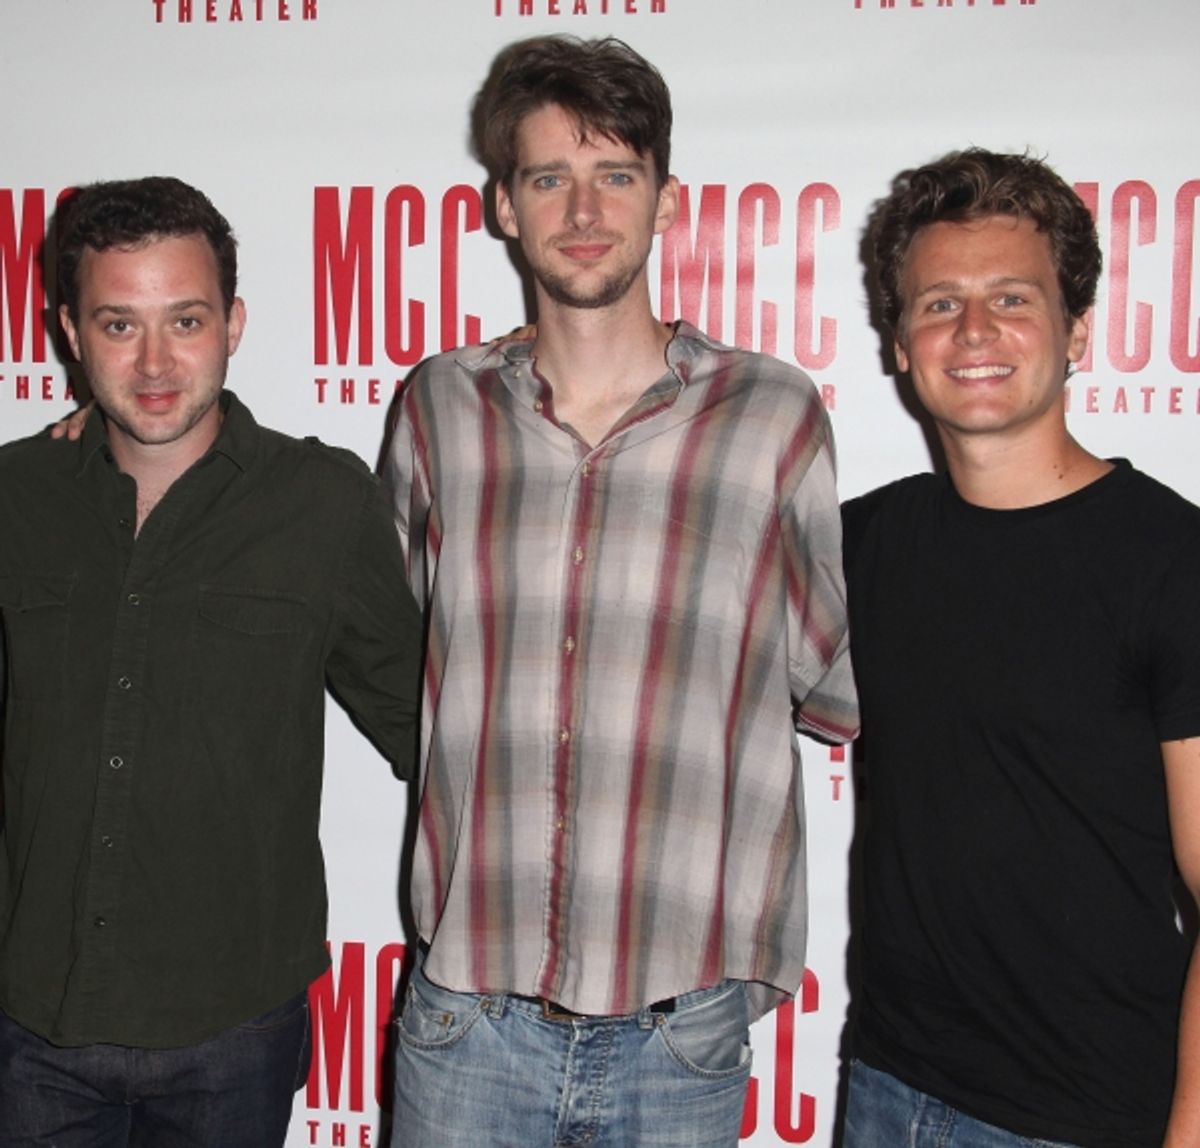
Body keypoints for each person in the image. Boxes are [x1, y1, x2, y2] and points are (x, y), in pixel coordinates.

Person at [383, 34, 858, 1148]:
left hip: (679, 1030)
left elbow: (829, 683)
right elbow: (392, 634)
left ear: (666, 199)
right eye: (550, 177)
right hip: (469, 1016)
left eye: (616, 175)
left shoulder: (773, 417)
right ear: (504, 206)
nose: (585, 210)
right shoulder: (438, 407)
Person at [0, 176, 423, 1147]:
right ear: (69, 332)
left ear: (233, 323)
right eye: (119, 324)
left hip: (233, 1027)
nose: (154, 362)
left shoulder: (322, 502)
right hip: (30, 1022)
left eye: (185, 320)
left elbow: (430, 728)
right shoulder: (15, 495)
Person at [840, 149, 1200, 1147]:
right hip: (886, 1089)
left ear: (1077, 329)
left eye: (1012, 297)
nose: (974, 331)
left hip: (1083, 1116)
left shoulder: (1173, 562)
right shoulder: (859, 545)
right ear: (901, 344)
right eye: (939, 304)